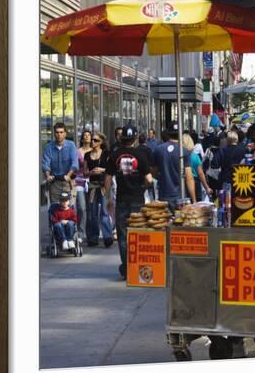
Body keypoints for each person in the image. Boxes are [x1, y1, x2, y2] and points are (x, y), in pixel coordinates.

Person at [105, 124, 152, 279]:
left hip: (121, 200)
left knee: (123, 236)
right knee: (138, 234)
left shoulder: (115, 155)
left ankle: (126, 268)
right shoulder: (141, 155)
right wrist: (142, 188)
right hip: (137, 199)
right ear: (135, 138)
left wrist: (108, 198)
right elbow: (149, 179)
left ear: (121, 137)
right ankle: (138, 267)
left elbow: (107, 178)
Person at [153, 120, 196, 213]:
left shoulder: (158, 150)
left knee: (164, 224)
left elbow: (154, 173)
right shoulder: (184, 151)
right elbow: (189, 178)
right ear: (180, 134)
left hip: (163, 195)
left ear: (168, 133)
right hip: (180, 197)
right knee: (178, 225)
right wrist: (194, 200)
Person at [84, 131, 113, 248]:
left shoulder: (106, 154)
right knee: (92, 213)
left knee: (105, 212)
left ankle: (107, 237)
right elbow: (85, 173)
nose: (92, 142)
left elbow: (111, 170)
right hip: (92, 186)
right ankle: (92, 237)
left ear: (101, 142)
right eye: (92, 139)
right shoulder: (87, 155)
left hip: (103, 186)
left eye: (95, 140)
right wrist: (91, 172)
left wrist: (102, 170)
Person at [42, 122, 79, 203]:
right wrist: (48, 176)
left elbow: (74, 163)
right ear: (54, 133)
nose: (59, 134)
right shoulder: (49, 147)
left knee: (69, 208)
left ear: (65, 133)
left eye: (61, 132)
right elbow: (45, 164)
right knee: (54, 208)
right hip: (55, 182)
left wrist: (68, 175)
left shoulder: (71, 145)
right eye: (57, 132)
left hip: (68, 182)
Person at [182, 133, 213, 202]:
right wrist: (207, 187)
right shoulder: (195, 157)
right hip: (195, 184)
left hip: (182, 183)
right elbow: (200, 174)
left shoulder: (180, 157)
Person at [75, 129, 92, 243]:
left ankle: (90, 234)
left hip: (91, 182)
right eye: (84, 135)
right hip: (79, 182)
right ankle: (80, 232)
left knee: (91, 209)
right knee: (81, 208)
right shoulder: (77, 151)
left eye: (88, 135)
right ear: (82, 138)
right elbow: (74, 166)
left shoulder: (94, 151)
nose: (86, 137)